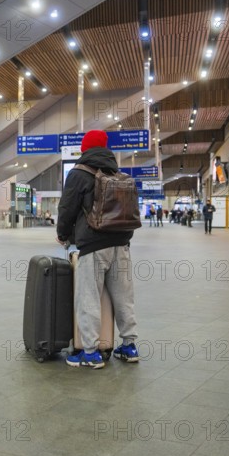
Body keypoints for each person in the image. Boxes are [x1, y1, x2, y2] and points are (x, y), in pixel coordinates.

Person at [56, 129, 139, 369]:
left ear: (85, 148)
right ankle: (129, 345)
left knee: (88, 297)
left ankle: (90, 352)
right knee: (125, 297)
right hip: (122, 244)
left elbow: (67, 208)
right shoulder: (117, 173)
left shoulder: (79, 173)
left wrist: (63, 234)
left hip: (93, 245)